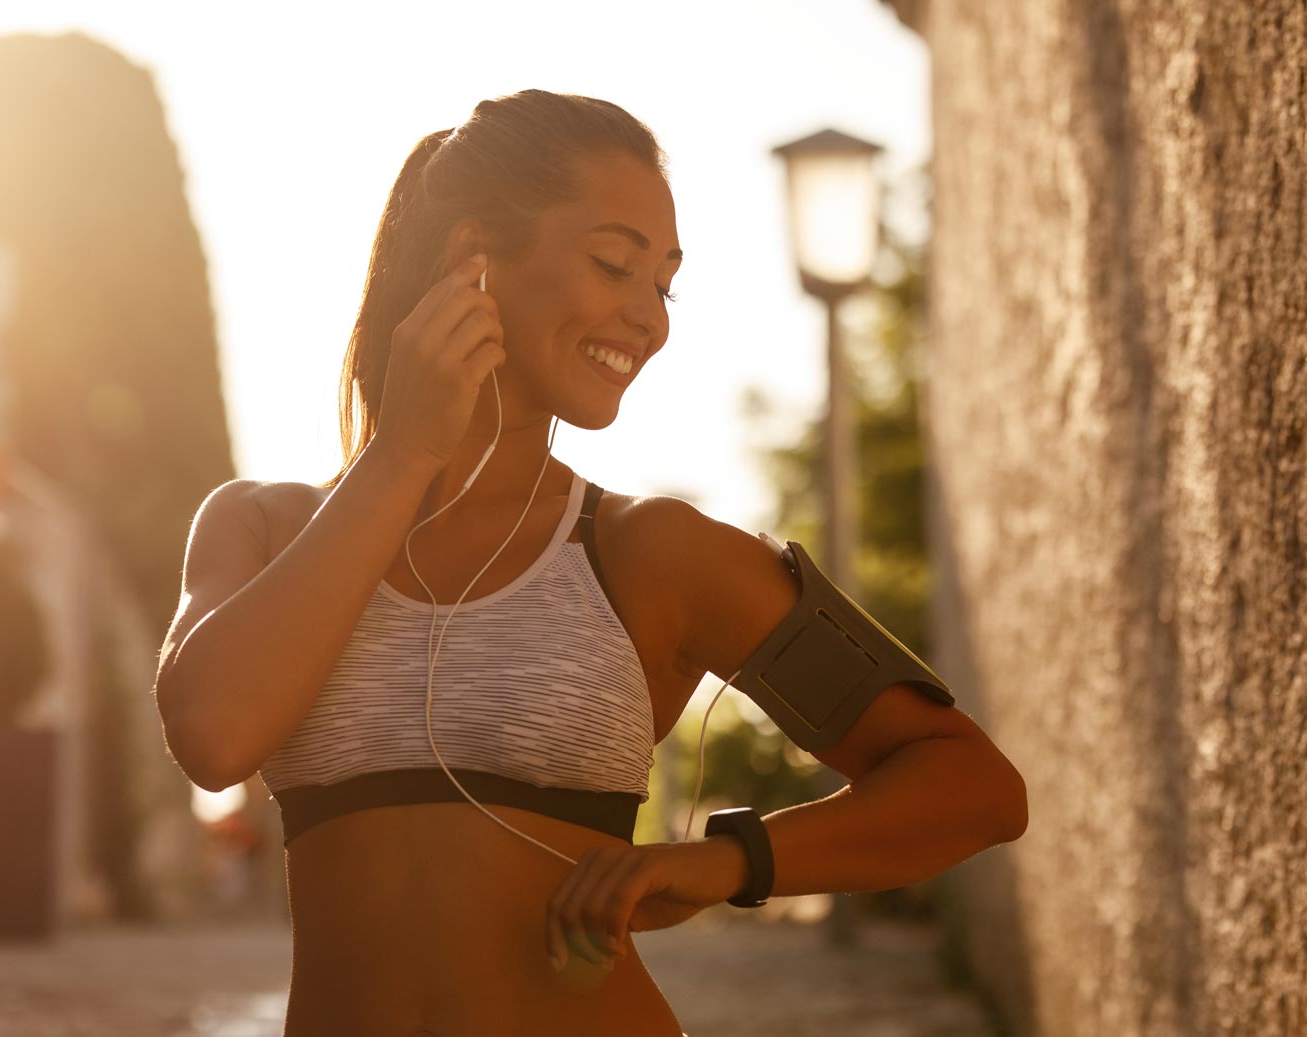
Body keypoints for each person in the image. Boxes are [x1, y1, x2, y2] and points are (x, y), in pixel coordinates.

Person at [154, 89, 1028, 1036]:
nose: (649, 318)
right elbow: (213, 734)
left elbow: (973, 785)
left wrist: (724, 860)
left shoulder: (651, 552)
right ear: (470, 259)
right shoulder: (263, 526)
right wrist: (403, 455)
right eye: (616, 264)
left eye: (664, 282)